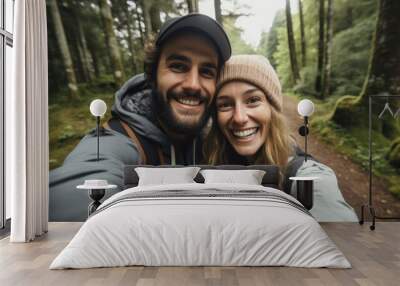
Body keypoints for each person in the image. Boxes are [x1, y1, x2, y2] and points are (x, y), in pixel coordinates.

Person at [49, 13, 232, 221]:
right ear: (152, 75)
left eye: (207, 72)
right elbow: (80, 187)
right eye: (178, 66)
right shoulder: (117, 141)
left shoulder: (211, 139)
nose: (193, 84)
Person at [204, 55, 358, 222]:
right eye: (225, 104)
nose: (239, 118)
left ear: (272, 109)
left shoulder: (306, 176)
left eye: (253, 100)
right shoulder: (210, 161)